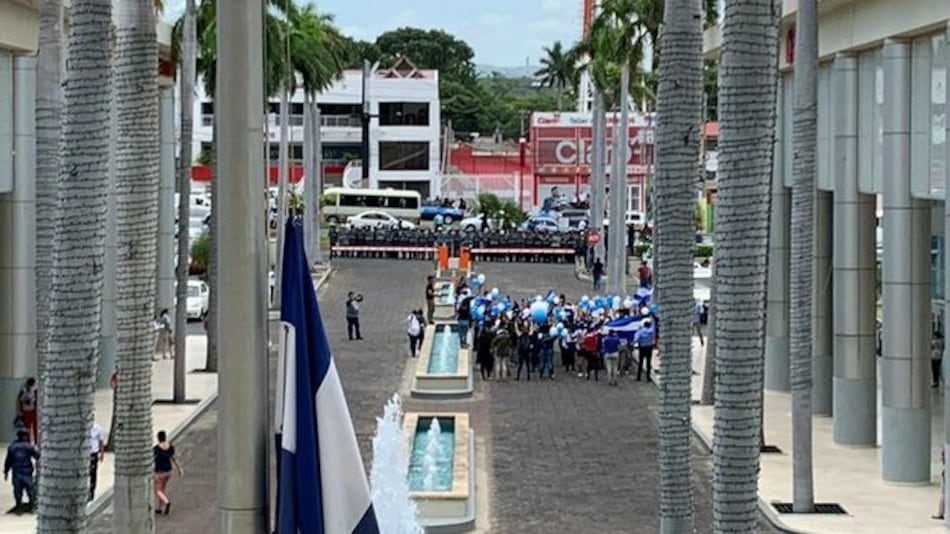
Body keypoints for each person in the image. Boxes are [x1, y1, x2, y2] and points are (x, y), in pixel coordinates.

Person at [3, 430, 38, 514]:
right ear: (25, 436)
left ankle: (19, 507)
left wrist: (6, 472)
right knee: (30, 490)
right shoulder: (28, 446)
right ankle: (32, 507)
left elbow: (8, 461)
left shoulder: (12, 447)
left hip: (16, 472)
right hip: (27, 472)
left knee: (17, 491)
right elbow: (37, 456)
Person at [154, 430, 183, 515]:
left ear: (158, 438)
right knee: (162, 489)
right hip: (168, 471)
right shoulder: (170, 447)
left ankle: (166, 502)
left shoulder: (156, 449)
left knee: (157, 491)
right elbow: (174, 458)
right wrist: (179, 468)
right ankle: (159, 508)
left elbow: (152, 460)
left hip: (159, 472)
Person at [16, 378, 38, 444]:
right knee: (27, 427)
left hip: (32, 410)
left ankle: (36, 441)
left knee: (35, 426)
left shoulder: (34, 390)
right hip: (26, 411)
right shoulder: (23, 390)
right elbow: (20, 400)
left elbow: (36, 400)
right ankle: (27, 441)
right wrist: (20, 411)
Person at [89, 416, 105, 502]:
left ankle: (92, 491)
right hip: (86, 453)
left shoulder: (97, 429)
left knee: (93, 473)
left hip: (93, 453)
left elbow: (101, 442)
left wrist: (102, 454)